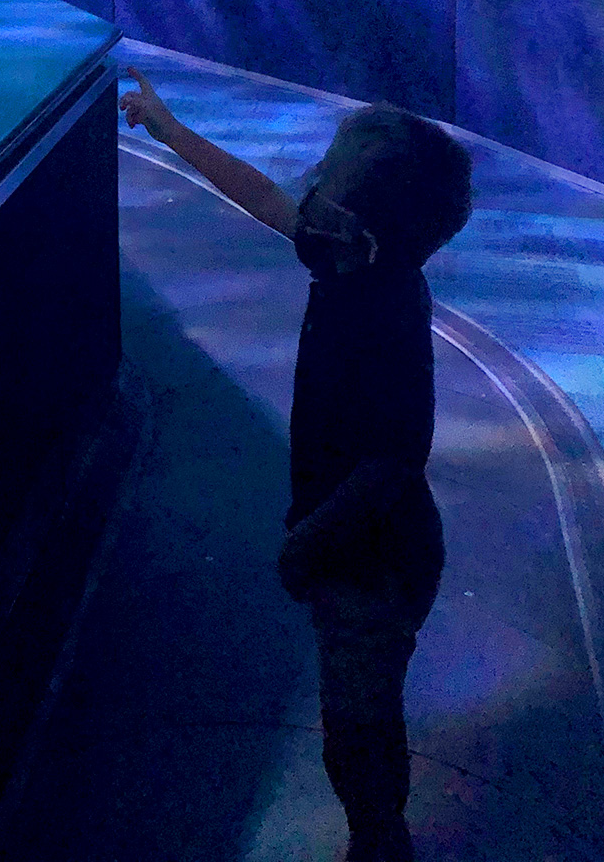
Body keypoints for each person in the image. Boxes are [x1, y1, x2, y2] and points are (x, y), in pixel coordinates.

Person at [117, 67, 475, 862]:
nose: (306, 188)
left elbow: (395, 462)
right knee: (353, 705)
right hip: (354, 540)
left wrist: (308, 541)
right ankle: (375, 830)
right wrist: (170, 130)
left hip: (370, 555)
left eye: (324, 182)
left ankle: (380, 840)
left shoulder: (384, 314)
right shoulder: (357, 255)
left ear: (355, 229)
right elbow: (263, 199)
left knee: (358, 722)